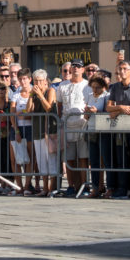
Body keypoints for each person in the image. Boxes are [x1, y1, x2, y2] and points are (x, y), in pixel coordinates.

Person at [104, 61, 130, 199]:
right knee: (122, 158)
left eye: (124, 69)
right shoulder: (115, 87)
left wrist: (118, 110)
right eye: (119, 69)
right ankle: (124, 188)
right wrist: (121, 108)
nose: (121, 72)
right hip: (121, 129)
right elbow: (108, 108)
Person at [57, 59, 89, 197]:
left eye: (78, 67)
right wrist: (61, 121)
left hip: (82, 125)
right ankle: (71, 185)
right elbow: (59, 105)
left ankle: (84, 185)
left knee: (83, 158)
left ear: (83, 69)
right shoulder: (62, 86)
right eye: (74, 66)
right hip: (67, 125)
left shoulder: (87, 85)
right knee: (69, 158)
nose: (75, 69)